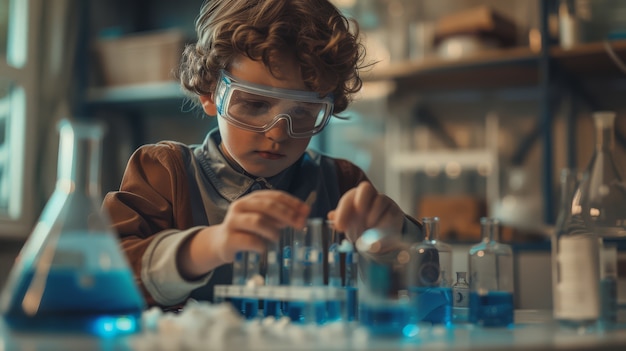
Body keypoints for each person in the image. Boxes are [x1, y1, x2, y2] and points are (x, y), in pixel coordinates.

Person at [103, 0, 422, 309]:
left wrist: (394, 236)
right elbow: (106, 274)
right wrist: (211, 246)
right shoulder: (163, 172)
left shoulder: (342, 184)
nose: (278, 133)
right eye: (255, 104)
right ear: (210, 93)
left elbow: (420, 288)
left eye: (302, 112)